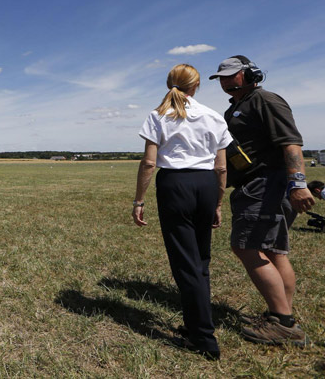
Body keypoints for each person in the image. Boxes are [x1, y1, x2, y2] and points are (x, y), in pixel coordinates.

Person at [210, 55, 315, 346]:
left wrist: (298, 183)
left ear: (250, 73)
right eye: (222, 77)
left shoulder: (266, 100)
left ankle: (283, 324)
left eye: (232, 75)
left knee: (246, 246)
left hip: (268, 185)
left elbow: (290, 142)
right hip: (256, 185)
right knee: (275, 251)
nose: (226, 81)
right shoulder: (237, 107)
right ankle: (280, 315)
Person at [131, 64, 230, 360]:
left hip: (175, 184)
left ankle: (203, 339)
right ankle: (196, 324)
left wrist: (139, 200)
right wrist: (218, 202)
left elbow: (149, 163)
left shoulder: (158, 115)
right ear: (196, 86)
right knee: (201, 260)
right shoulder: (213, 116)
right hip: (206, 183)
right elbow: (221, 166)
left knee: (185, 263)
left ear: (168, 84)